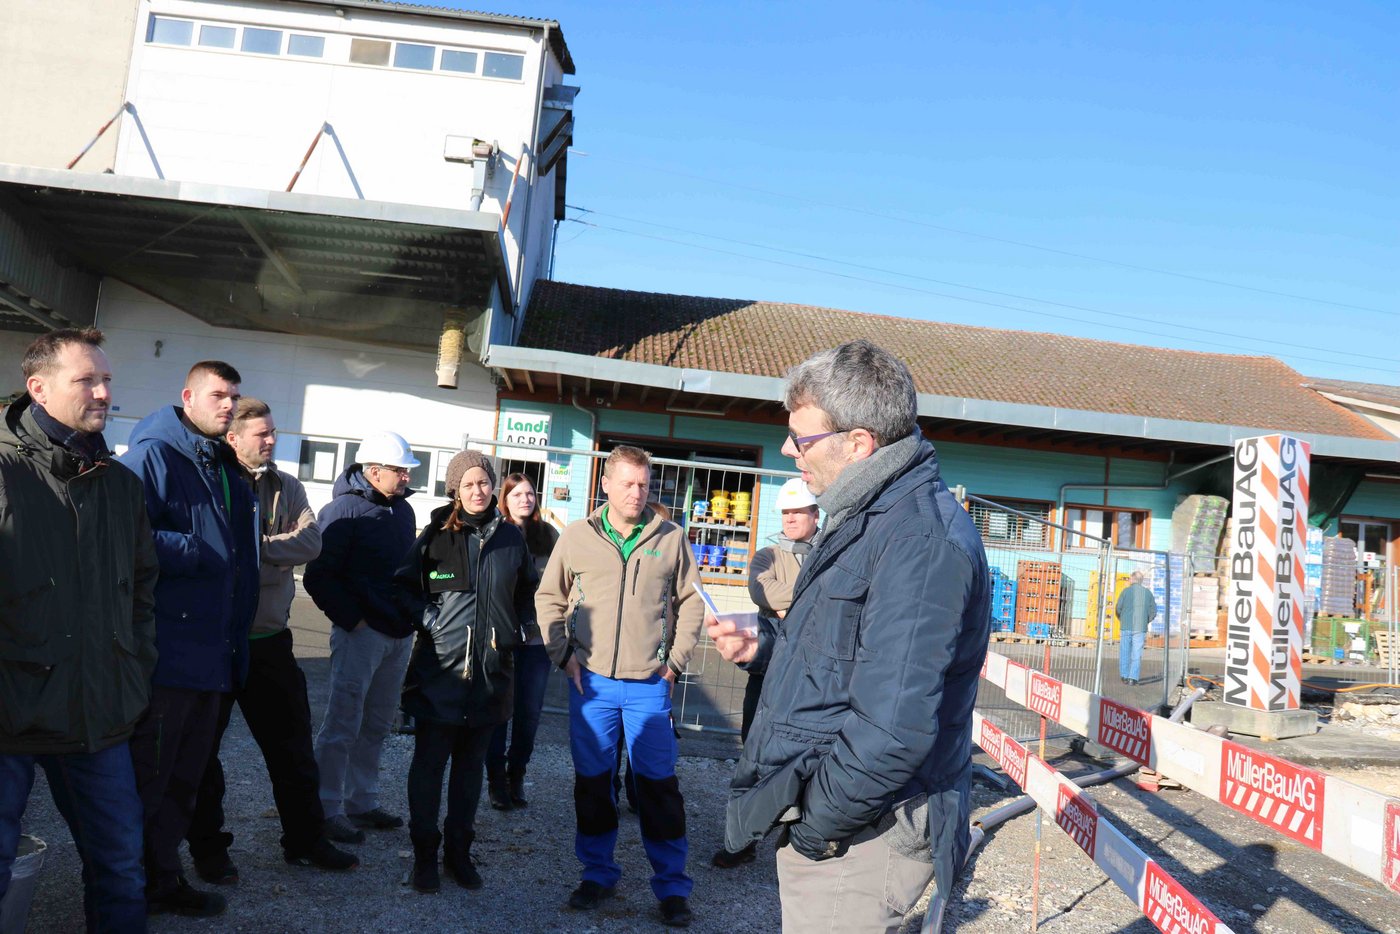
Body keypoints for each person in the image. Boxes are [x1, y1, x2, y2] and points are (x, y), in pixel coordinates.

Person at [708, 340, 990, 933]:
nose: (788, 451)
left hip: (862, 835)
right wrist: (766, 648)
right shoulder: (867, 514)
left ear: (859, 444)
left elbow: (894, 727)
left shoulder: (919, 541)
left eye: (802, 440)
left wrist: (816, 826)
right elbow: (842, 651)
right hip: (847, 821)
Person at [0, 328, 159, 932]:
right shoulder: (3, 472)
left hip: (99, 712)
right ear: (38, 389)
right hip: (9, 716)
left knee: (121, 867)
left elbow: (143, 588)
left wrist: (134, 667)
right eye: (86, 380)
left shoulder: (120, 485)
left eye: (108, 379)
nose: (103, 392)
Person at [185, 399, 358, 880]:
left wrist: (250, 551)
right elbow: (208, 554)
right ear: (233, 439)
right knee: (202, 755)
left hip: (270, 641)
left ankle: (305, 840)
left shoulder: (287, 486)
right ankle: (209, 851)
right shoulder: (210, 481)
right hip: (217, 642)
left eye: (273, 432)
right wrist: (266, 556)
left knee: (293, 750)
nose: (271, 440)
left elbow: (311, 543)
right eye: (261, 433)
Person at [536, 446, 703, 929]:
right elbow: (549, 596)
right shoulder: (577, 537)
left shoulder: (670, 538)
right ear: (605, 485)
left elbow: (692, 600)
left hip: (650, 685)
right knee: (593, 785)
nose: (637, 493)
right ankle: (598, 873)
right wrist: (562, 655)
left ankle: (672, 886)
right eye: (628, 484)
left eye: (644, 485)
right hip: (592, 686)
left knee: (658, 789)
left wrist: (674, 663)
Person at [122, 360, 261, 918]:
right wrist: (194, 550)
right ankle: (126, 890)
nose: (228, 405)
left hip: (214, 656)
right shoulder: (154, 456)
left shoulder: (224, 464)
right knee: (149, 783)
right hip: (168, 658)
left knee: (184, 782)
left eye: (234, 397)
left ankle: (160, 879)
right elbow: (122, 539)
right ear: (188, 396)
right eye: (218, 395)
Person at [396, 452, 538, 893]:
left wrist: (516, 632)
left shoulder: (512, 540)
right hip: (441, 674)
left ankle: (458, 853)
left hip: (490, 676)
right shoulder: (435, 536)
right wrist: (430, 620)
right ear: (455, 488)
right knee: (429, 767)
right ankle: (424, 856)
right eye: (469, 484)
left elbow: (527, 594)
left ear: (494, 487)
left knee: (470, 771)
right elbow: (403, 588)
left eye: (484, 483)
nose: (478, 491)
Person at [305, 431, 419, 844]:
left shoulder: (402, 511)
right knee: (342, 723)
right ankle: (327, 807)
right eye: (400, 469)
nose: (407, 476)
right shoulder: (341, 511)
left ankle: (362, 802)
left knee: (376, 723)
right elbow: (319, 576)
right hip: (362, 636)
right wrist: (354, 622)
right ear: (373, 472)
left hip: (396, 634)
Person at [711, 476, 819, 870]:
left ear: (814, 513)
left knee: (813, 760)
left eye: (797, 512)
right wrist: (818, 599)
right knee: (753, 754)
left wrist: (796, 605)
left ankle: (802, 844)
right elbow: (763, 592)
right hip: (770, 674)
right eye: (785, 512)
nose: (790, 519)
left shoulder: (831, 550)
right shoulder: (767, 556)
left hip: (819, 676)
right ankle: (740, 842)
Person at [485, 472, 559, 811]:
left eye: (529, 494)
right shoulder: (495, 532)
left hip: (537, 640)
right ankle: (496, 781)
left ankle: (517, 775)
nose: (524, 500)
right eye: (517, 495)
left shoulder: (549, 535)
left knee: (528, 714)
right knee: (498, 713)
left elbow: (563, 582)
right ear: (505, 500)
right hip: (501, 638)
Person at [1115, 571, 1158, 685]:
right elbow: (1153, 611)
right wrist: (1146, 620)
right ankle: (1132, 678)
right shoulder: (1148, 593)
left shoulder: (1126, 591)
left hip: (1126, 625)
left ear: (1132, 579)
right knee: (1136, 653)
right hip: (1140, 627)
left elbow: (1118, 607)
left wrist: (1122, 618)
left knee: (1125, 651)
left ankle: (1124, 675)